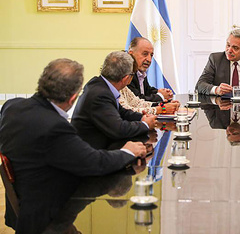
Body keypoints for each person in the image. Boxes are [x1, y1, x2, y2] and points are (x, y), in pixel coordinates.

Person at [0, 58, 147, 234]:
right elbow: (96, 163)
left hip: (25, 205)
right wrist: (127, 152)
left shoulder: (11, 106)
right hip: (49, 215)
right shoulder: (55, 127)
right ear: (73, 98)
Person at [72, 51, 157, 150]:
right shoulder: (100, 95)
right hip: (93, 154)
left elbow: (122, 112)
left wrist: (142, 118)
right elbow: (119, 129)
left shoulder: (100, 84)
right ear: (126, 78)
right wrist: (145, 125)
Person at [127, 37, 173, 103]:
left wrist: (160, 92)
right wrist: (161, 96)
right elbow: (137, 100)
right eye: (145, 54)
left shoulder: (140, 72)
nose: (149, 59)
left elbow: (147, 91)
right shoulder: (126, 72)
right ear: (131, 54)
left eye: (151, 55)